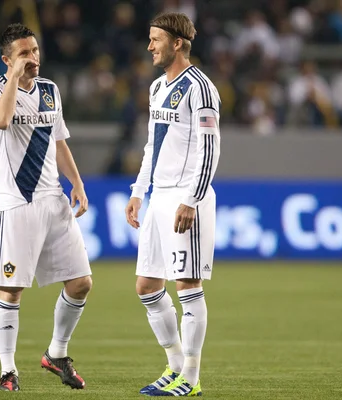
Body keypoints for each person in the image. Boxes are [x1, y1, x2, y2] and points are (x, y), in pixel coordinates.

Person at [0, 23, 92, 392]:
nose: (34, 59)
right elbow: (1, 120)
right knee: (11, 289)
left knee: (81, 283)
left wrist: (76, 182)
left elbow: (57, 139)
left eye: (36, 51)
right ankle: (7, 370)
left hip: (52, 200)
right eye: (25, 53)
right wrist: (13, 77)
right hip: (16, 202)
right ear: (6, 59)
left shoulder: (50, 91)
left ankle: (56, 354)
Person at [125, 12, 221, 397]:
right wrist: (137, 191)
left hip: (186, 197)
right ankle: (175, 365)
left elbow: (210, 148)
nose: (149, 46)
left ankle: (192, 379)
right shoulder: (156, 88)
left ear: (177, 43)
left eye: (155, 39)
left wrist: (192, 199)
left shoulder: (201, 87)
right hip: (158, 197)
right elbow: (153, 144)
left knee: (187, 285)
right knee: (147, 285)